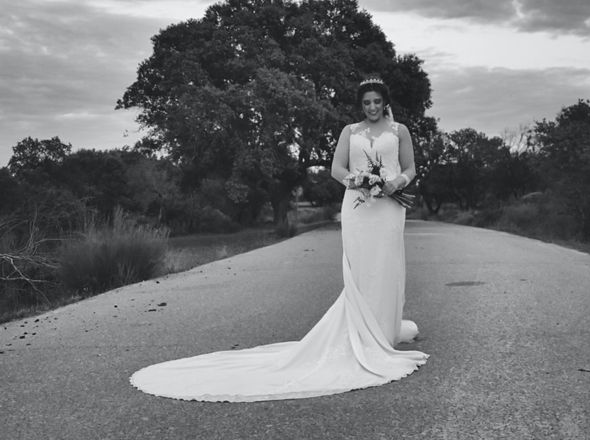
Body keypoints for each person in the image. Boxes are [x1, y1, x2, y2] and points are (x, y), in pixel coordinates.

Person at [129, 78, 428, 402]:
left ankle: (384, 330)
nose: (371, 107)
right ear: (360, 105)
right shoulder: (349, 132)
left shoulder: (400, 131)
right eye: (365, 102)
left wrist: (396, 181)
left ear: (385, 102)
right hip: (358, 208)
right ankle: (362, 332)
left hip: (388, 209)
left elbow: (410, 167)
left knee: (386, 267)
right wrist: (359, 180)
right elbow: (335, 169)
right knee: (361, 270)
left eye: (376, 102)